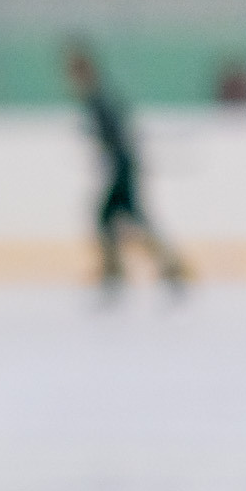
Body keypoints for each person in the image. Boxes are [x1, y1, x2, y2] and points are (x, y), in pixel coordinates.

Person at [64, 41, 190, 301]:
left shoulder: (98, 99)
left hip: (121, 168)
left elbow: (117, 136)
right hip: (122, 166)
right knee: (117, 218)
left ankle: (155, 266)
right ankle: (153, 266)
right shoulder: (99, 97)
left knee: (116, 218)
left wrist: (112, 153)